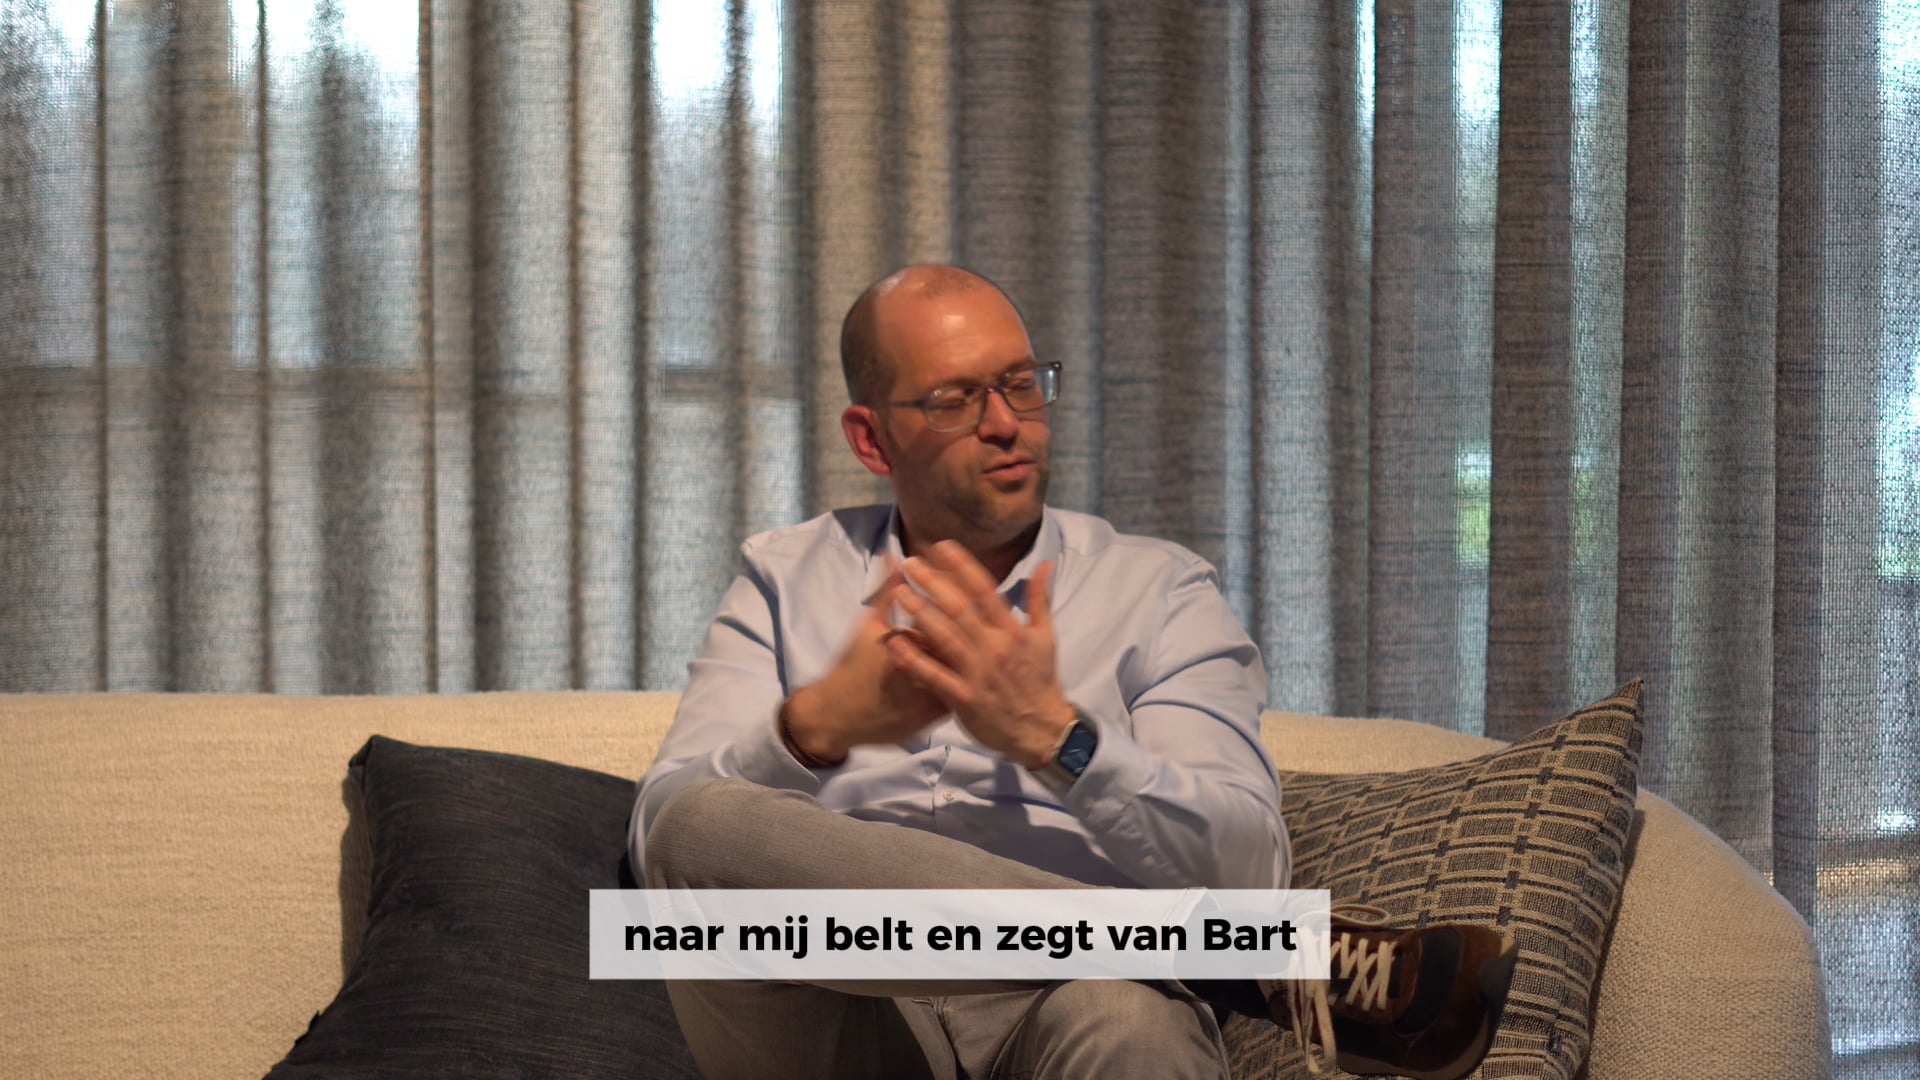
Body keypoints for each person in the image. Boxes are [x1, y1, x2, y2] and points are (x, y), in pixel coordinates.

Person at [628, 265, 1513, 1080]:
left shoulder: (1157, 591)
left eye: (1021, 383)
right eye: (954, 399)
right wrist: (814, 730)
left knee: (1127, 1020)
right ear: (872, 439)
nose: (1006, 422)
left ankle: (1176, 953)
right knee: (696, 824)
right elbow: (657, 846)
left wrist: (1061, 741)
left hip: (1068, 1012)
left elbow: (1250, 868)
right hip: (839, 1007)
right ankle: (1235, 958)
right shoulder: (785, 577)